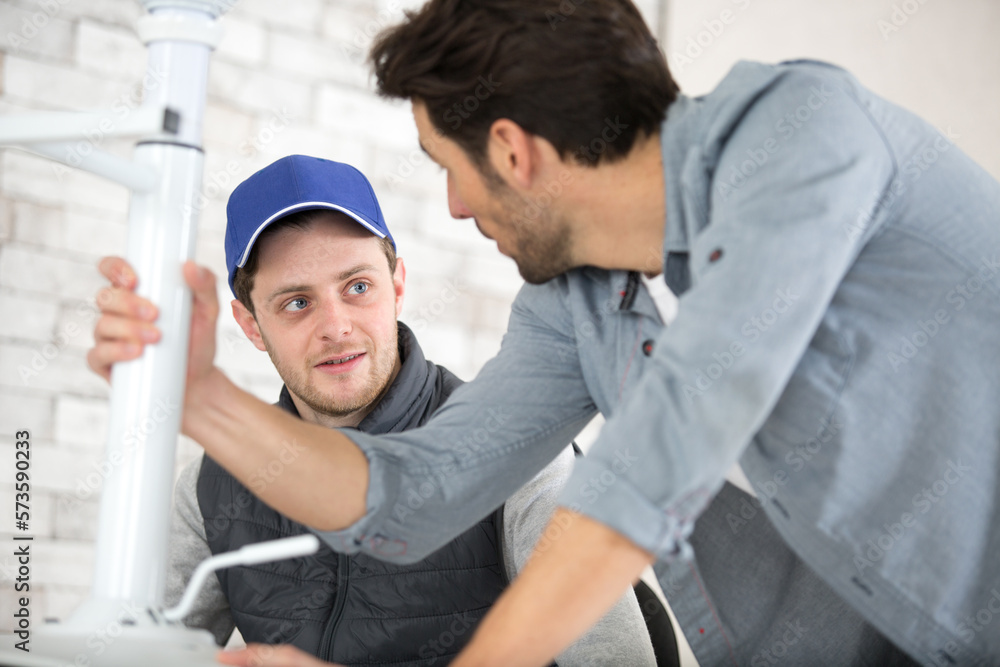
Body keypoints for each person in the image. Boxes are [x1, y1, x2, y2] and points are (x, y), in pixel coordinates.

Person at [88, 0, 1000, 665]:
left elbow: (651, 470)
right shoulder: (581, 303)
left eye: (451, 168)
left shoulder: (802, 139)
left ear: (514, 151)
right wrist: (199, 396)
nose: (451, 205)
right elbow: (414, 490)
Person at [91, 155, 656, 666]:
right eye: (296, 302)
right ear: (250, 326)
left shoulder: (522, 457)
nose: (336, 327)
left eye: (357, 286)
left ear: (398, 285)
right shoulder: (211, 487)